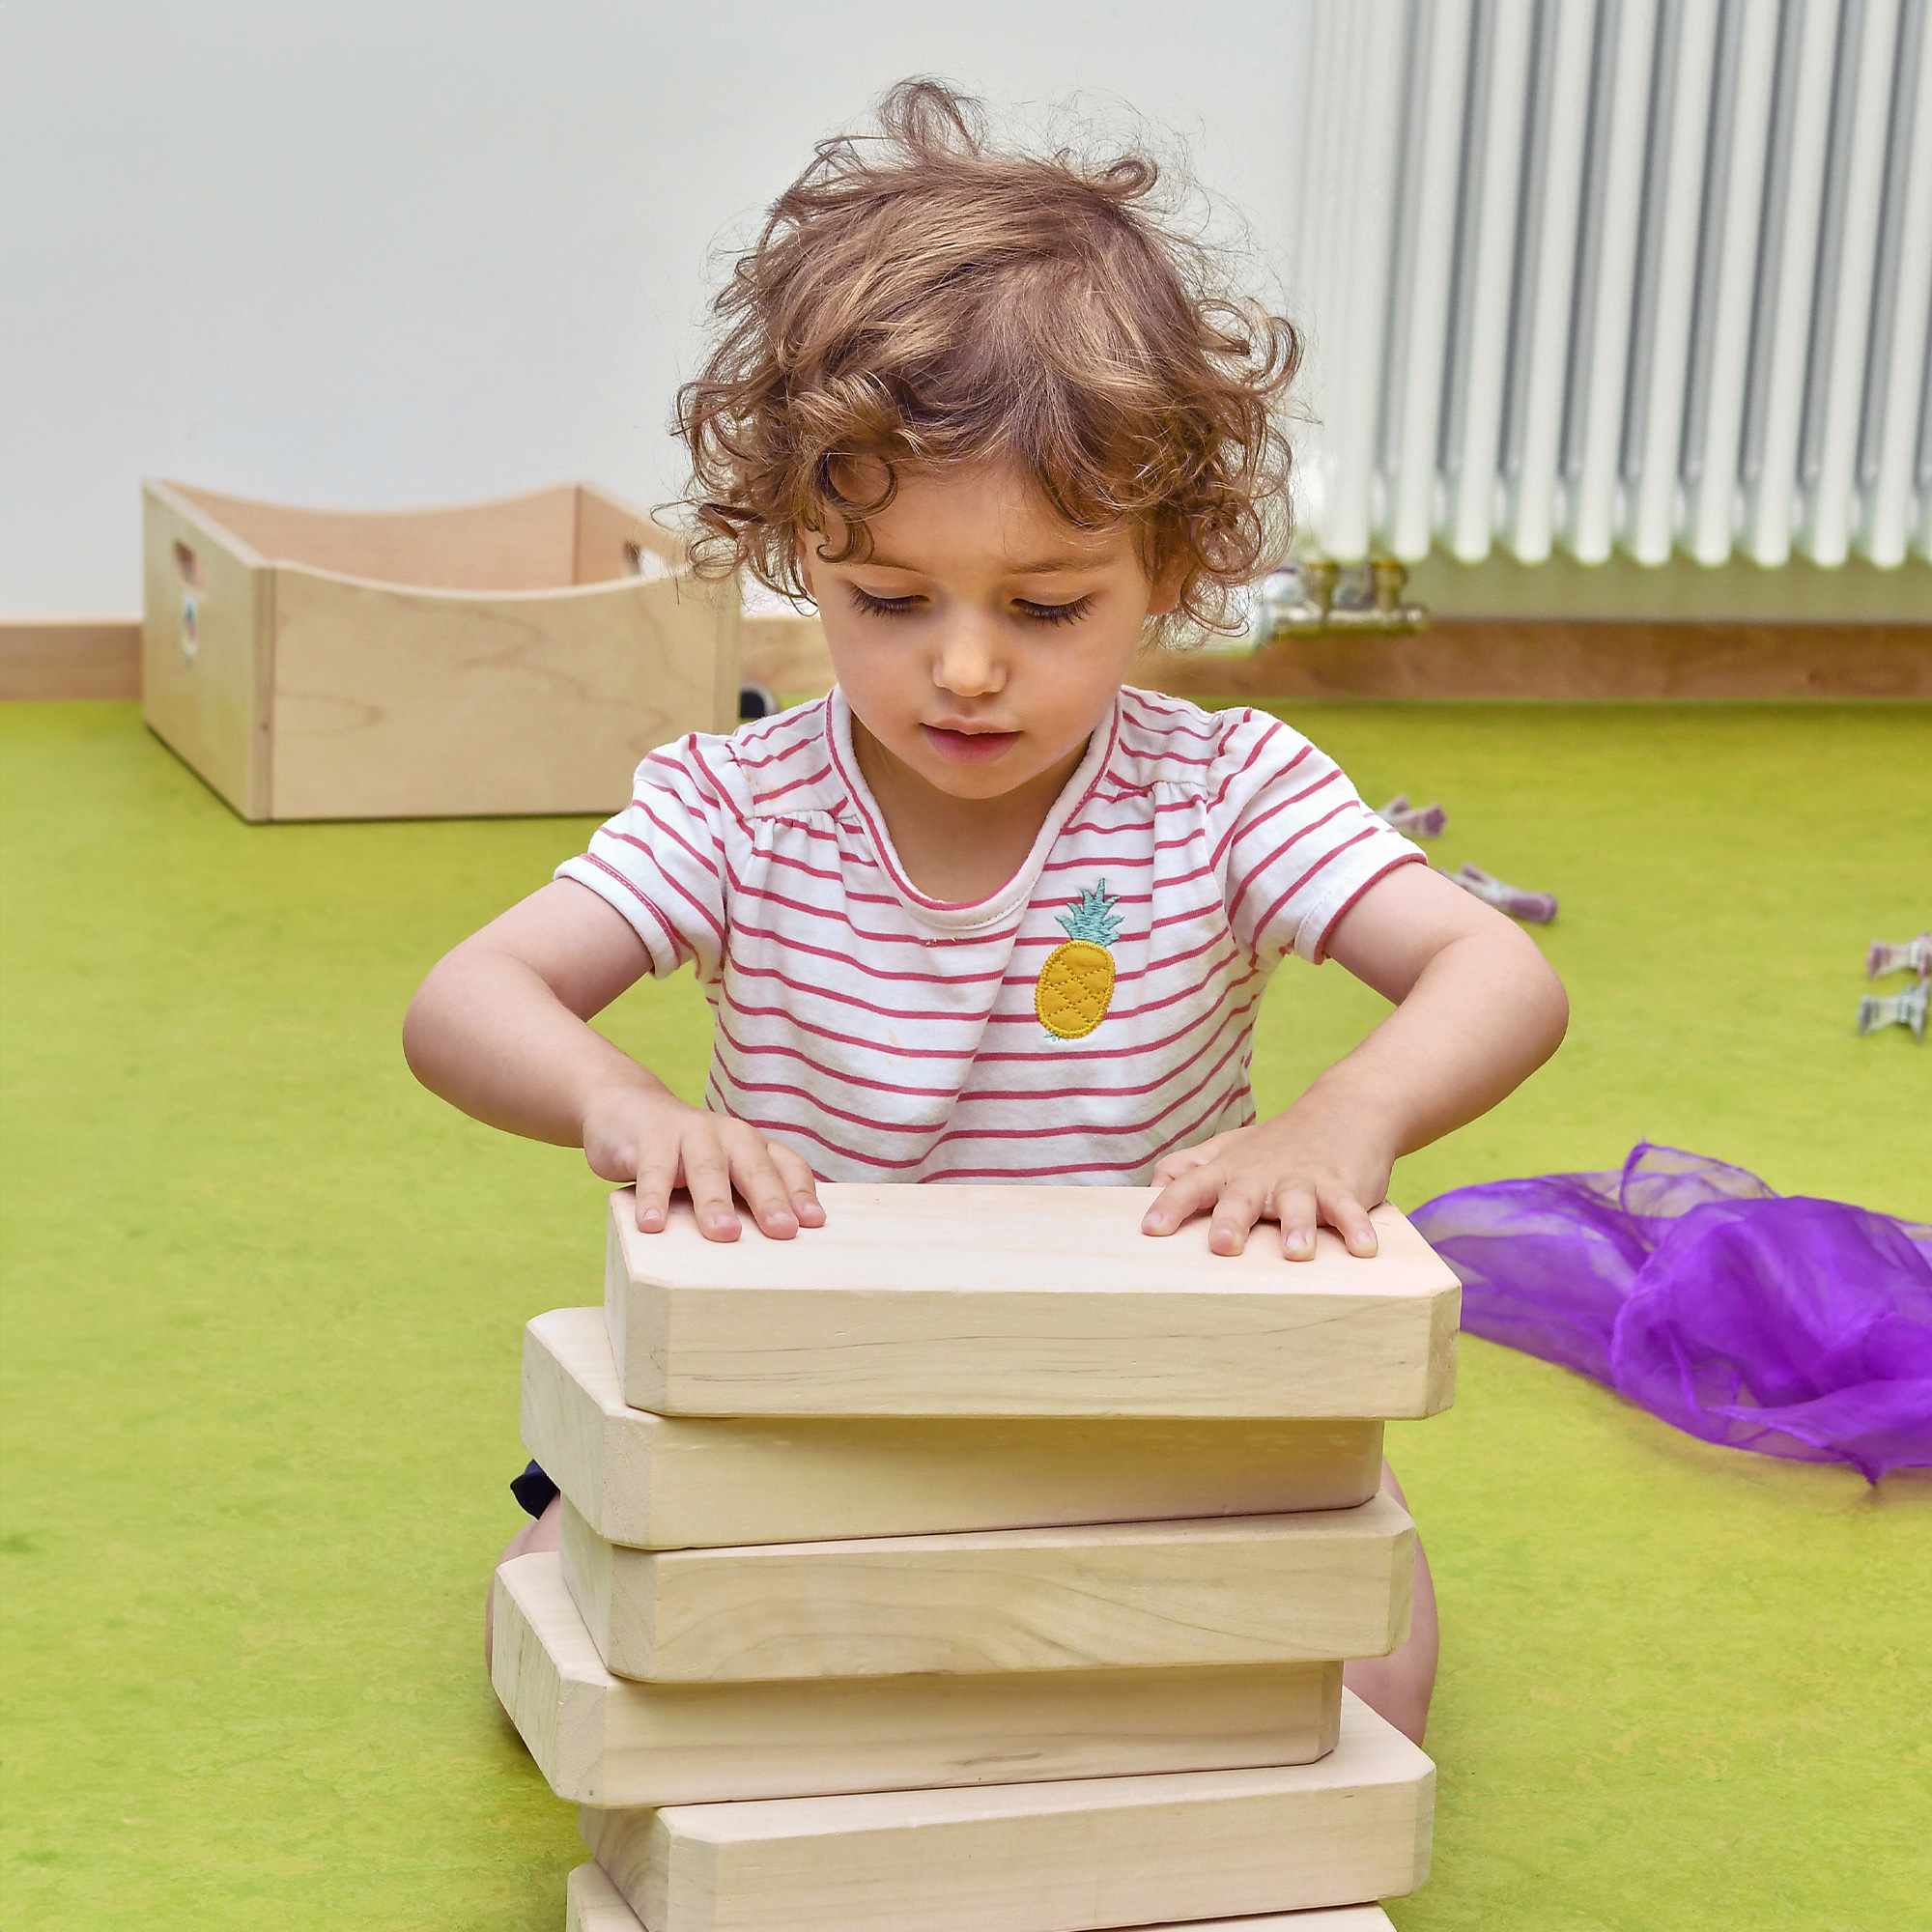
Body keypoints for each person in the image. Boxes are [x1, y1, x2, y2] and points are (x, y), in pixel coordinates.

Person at [403, 80, 1568, 1747]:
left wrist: (1341, 1119)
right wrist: (626, 1106)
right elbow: (468, 997)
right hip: (822, 1388)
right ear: (807, 550)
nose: (962, 666)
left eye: (1044, 604)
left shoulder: (1224, 786)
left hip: (1146, 1389)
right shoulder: (740, 802)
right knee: (576, 1636)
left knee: (1370, 1679)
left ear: (1170, 566)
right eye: (889, 600)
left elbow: (1492, 970)